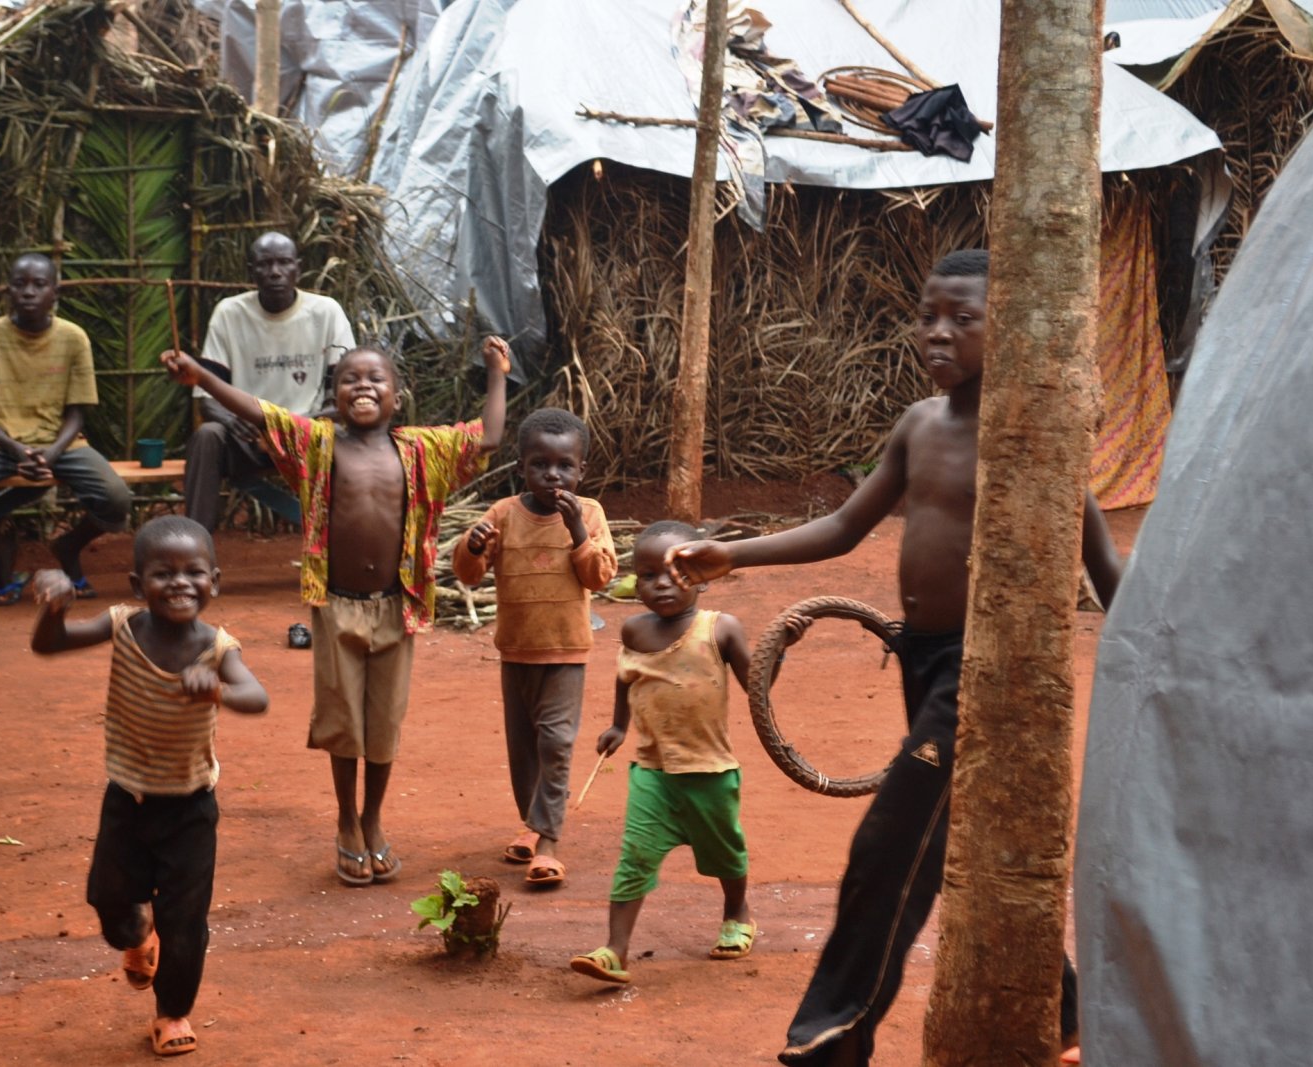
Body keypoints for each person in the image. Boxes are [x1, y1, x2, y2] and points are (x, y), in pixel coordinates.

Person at [667, 248, 1124, 1066]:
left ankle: (833, 1034)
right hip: (921, 662)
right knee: (951, 849)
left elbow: (1105, 571)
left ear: (1009, 331)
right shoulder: (920, 423)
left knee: (888, 845)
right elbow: (844, 527)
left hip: (982, 674)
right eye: (929, 315)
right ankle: (1064, 1008)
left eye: (964, 319)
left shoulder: (1034, 439)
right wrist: (732, 555)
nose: (938, 333)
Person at [160, 338, 507, 886]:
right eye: (350, 379)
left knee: (384, 725)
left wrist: (496, 373)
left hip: (397, 607)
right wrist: (201, 377)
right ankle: (347, 819)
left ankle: (373, 818)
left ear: (398, 397)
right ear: (333, 396)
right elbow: (259, 411)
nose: (363, 386)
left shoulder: (422, 450)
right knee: (343, 724)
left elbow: (487, 436)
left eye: (376, 380)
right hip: (336, 608)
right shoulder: (316, 444)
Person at [29, 515, 269, 1057]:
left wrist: (219, 693)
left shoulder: (217, 646)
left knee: (186, 923)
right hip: (128, 801)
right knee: (111, 903)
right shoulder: (122, 625)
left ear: (215, 582)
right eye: (163, 573)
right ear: (139, 587)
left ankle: (171, 1013)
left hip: (190, 810)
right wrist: (53, 610)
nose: (180, 583)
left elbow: (257, 695)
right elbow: (51, 645)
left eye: (194, 572)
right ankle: (137, 936)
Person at [568, 519, 755, 984]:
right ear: (635, 582)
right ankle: (615, 949)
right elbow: (626, 676)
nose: (662, 584)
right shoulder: (634, 632)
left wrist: (779, 646)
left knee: (725, 854)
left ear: (702, 576)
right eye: (648, 575)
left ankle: (738, 912)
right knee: (635, 857)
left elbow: (760, 686)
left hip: (710, 769)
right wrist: (618, 725)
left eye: (676, 573)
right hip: (652, 771)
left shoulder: (721, 629)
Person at [451, 407, 617, 889]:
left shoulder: (589, 514)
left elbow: (600, 576)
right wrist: (473, 543)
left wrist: (578, 533)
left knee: (556, 743)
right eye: (540, 464)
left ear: (581, 470)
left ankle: (548, 844)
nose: (553, 475)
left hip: (567, 654)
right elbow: (468, 574)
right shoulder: (502, 514)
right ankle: (531, 821)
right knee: (523, 750)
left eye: (565, 465)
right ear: (521, 466)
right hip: (517, 652)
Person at [0, 252, 131, 605]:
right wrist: (17, 451)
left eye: (39, 284)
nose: (29, 292)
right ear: (8, 292)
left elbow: (76, 414)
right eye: (20, 284)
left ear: (54, 292)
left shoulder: (74, 338)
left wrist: (52, 453)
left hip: (62, 444)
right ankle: (2, 550)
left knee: (117, 498)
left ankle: (69, 546)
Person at [181, 231, 356, 531]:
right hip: (248, 438)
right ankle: (195, 548)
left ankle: (348, 544)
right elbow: (206, 400)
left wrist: (290, 428)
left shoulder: (326, 312)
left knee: (341, 438)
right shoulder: (230, 313)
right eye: (265, 264)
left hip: (306, 433)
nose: (275, 272)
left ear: (298, 269)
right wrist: (238, 423)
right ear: (252, 271)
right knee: (208, 436)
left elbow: (341, 399)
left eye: (284, 263)